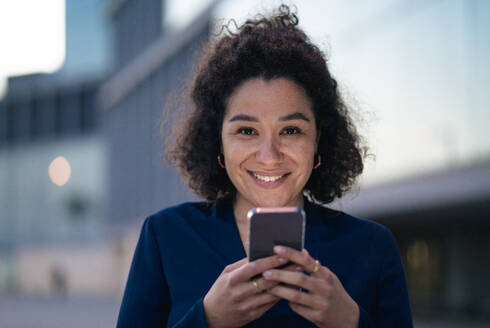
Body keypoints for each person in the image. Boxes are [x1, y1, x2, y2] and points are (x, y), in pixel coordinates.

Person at [116, 5, 413, 328]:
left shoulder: (373, 247)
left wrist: (351, 321)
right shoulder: (165, 237)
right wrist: (207, 319)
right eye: (247, 131)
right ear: (218, 142)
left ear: (318, 141)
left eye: (291, 130)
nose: (269, 156)